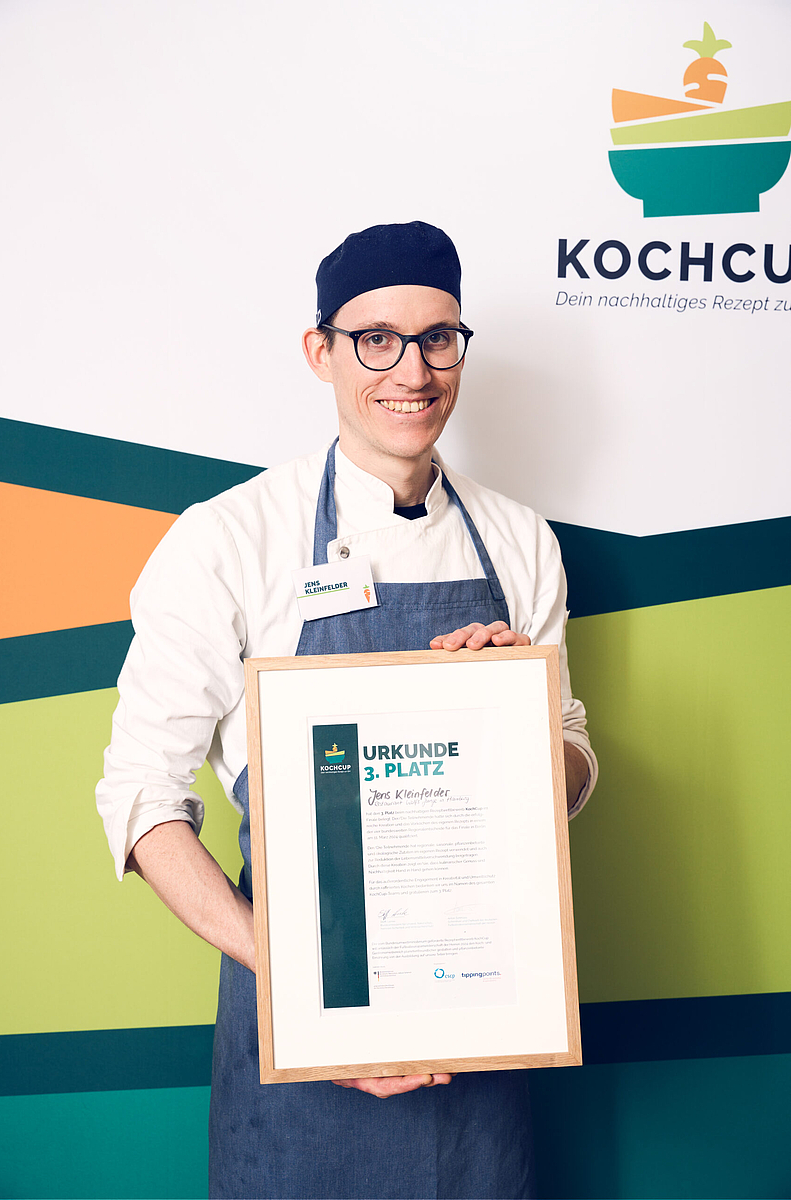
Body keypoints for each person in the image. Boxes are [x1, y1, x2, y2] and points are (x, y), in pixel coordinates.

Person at [97, 220, 597, 1200]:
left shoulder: (519, 540)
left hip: (483, 1026)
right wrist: (297, 983)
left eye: (437, 338)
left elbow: (570, 761)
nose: (412, 371)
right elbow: (141, 798)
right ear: (319, 351)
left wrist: (522, 717)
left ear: (459, 349)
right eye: (376, 339)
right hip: (301, 1039)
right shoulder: (228, 540)